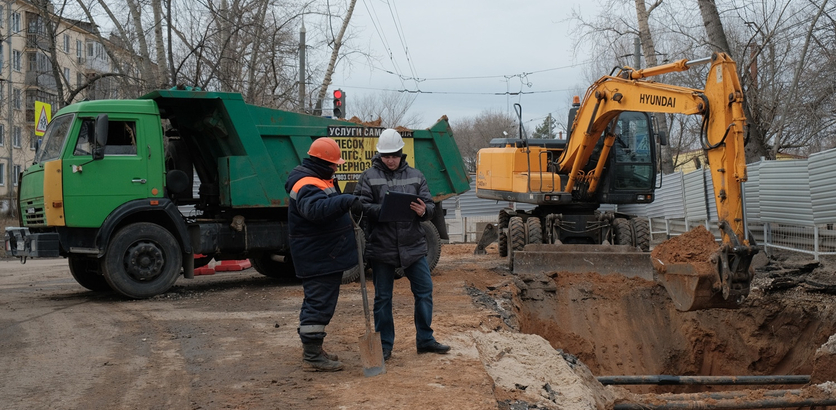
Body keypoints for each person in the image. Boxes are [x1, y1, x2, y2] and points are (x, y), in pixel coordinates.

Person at [353, 128, 450, 361]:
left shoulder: (416, 176)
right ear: (380, 155)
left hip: (413, 246)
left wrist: (424, 210)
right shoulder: (369, 176)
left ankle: (425, 340)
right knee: (383, 298)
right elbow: (358, 205)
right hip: (382, 246)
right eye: (386, 156)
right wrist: (382, 211)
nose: (390, 160)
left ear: (401, 154)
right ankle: (385, 346)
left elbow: (430, 206)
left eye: (394, 156)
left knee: (424, 292)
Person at [285, 137, 364, 372]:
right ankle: (312, 356)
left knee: (321, 302)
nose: (336, 167)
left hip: (324, 253)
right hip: (318, 255)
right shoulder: (306, 183)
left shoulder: (319, 178)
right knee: (318, 303)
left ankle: (315, 350)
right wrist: (345, 200)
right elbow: (315, 211)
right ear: (323, 162)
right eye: (334, 164)